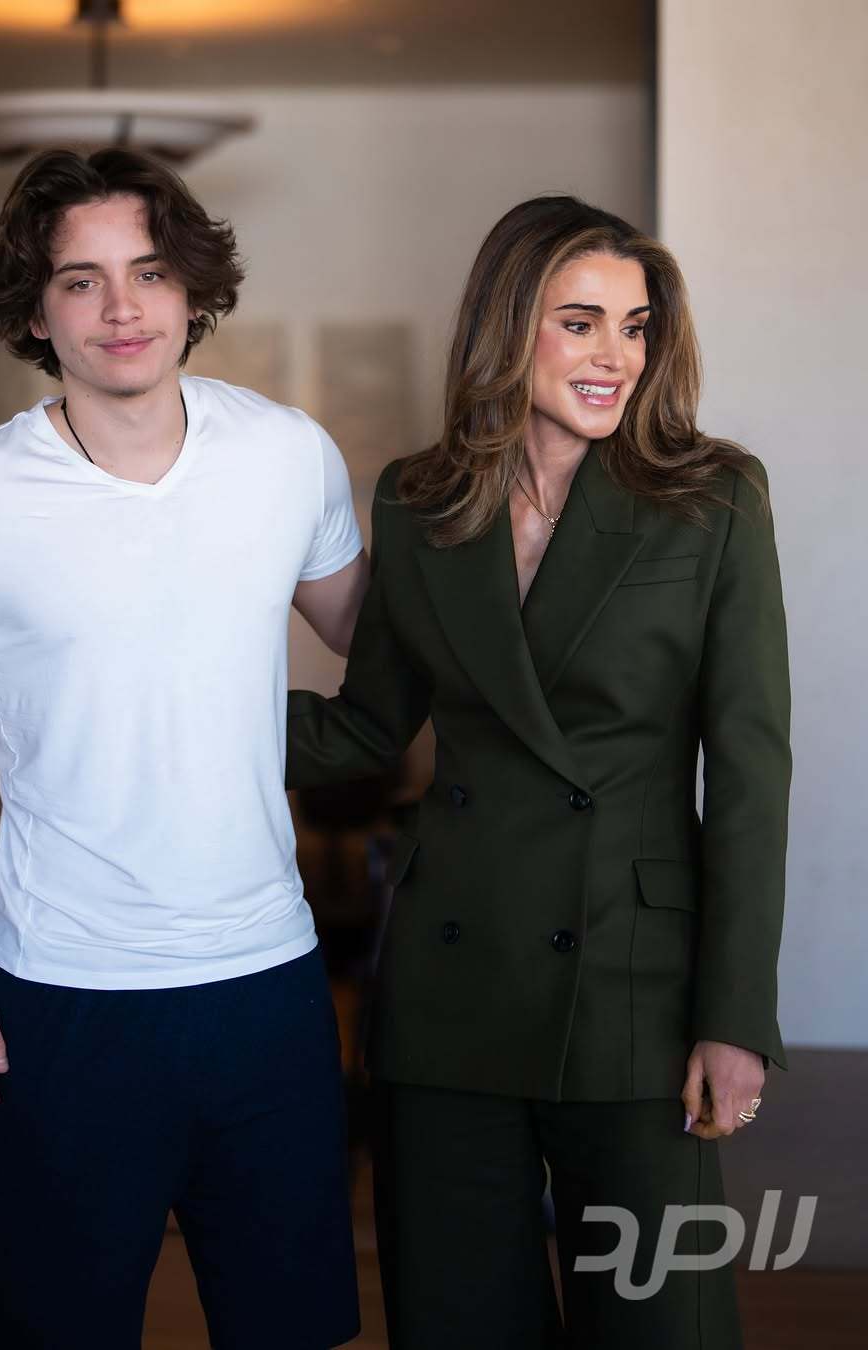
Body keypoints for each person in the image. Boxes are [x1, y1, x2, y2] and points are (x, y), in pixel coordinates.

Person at [0, 147, 368, 1350]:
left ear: (193, 287)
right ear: (36, 312)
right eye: (80, 280)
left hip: (269, 989)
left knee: (290, 1328)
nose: (123, 307)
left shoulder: (289, 455)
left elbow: (378, 641)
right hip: (66, 1004)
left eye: (148, 271)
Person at [286, 195, 791, 1349]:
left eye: (635, 326)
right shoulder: (420, 501)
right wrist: (166, 719)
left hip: (635, 988)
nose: (617, 355)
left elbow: (750, 777)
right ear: (509, 328)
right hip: (448, 992)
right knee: (459, 1324)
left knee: (663, 1326)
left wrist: (735, 1020)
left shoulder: (712, 499)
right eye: (580, 322)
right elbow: (368, 728)